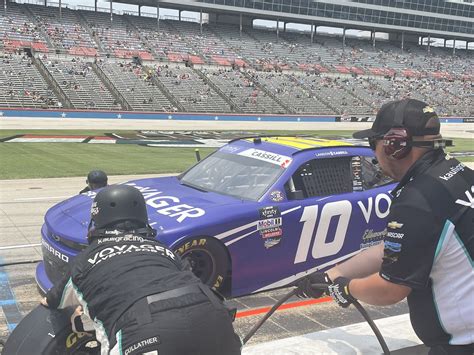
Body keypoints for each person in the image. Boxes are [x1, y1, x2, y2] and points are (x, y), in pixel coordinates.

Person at [296, 99, 473, 354]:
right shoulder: (458, 174)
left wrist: (346, 288)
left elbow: (391, 289)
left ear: (395, 145)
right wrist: (331, 275)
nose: (374, 156)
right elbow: (395, 248)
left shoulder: (418, 201)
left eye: (373, 143)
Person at [42, 185, 241, 355]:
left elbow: (52, 301)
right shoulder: (163, 250)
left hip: (142, 328)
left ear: (96, 221)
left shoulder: (82, 261)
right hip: (211, 313)